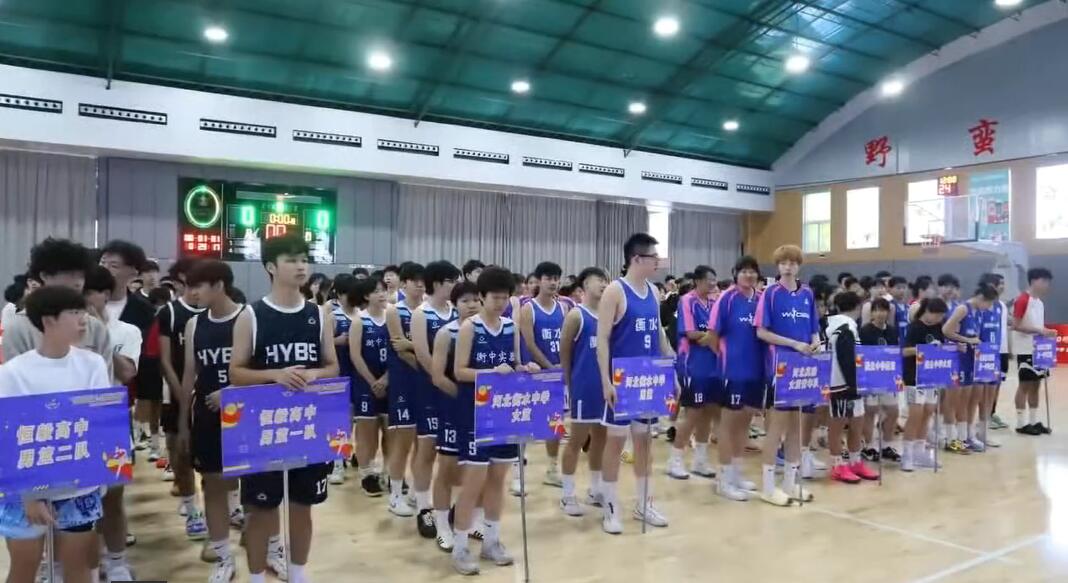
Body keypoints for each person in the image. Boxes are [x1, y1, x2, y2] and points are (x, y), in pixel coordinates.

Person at [229, 234, 340, 583]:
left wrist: (315, 374)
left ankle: (298, 573)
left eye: (304, 258)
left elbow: (333, 367)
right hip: (264, 426)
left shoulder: (319, 315)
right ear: (271, 267)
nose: (301, 265)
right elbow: (236, 373)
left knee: (302, 507)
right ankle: (256, 577)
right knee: (261, 511)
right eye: (291, 259)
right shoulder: (252, 315)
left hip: (307, 424)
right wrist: (275, 375)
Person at [0, 286, 110, 583]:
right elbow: (9, 436)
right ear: (48, 321)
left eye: (83, 311)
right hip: (25, 487)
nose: (83, 319)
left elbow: (100, 422)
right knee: (24, 567)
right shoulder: (13, 372)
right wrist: (29, 495)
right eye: (74, 313)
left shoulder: (92, 364)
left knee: (78, 566)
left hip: (79, 485)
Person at [450, 267, 536, 575]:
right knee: (473, 482)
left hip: (503, 413)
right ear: (482, 297)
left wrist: (525, 368)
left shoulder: (511, 327)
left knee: (498, 480)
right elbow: (459, 371)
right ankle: (460, 547)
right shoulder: (469, 328)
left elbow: (514, 363)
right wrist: (489, 373)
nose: (500, 303)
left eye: (504, 298)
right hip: (474, 414)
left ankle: (491, 540)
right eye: (494, 297)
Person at [596, 233, 674, 534]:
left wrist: (671, 370)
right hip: (621, 381)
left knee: (645, 443)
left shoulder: (653, 291)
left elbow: (659, 333)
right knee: (616, 443)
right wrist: (606, 381)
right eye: (653, 257)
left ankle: (644, 502)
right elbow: (602, 339)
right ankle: (610, 506)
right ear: (637, 259)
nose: (658, 262)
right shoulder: (615, 291)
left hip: (648, 379)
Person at [177, 260, 247, 583]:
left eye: (197, 286)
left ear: (219, 285)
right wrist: (183, 422)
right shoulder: (195, 324)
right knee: (212, 483)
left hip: (247, 414)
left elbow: (261, 370)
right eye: (189, 286)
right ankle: (222, 555)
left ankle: (268, 545)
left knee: (256, 485)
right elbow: (189, 375)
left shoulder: (248, 317)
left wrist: (232, 392)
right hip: (207, 414)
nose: (192, 293)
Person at [83, 266, 142, 580]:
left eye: (89, 292)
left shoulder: (126, 331)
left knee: (113, 497)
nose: (83, 299)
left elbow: (127, 373)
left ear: (105, 295)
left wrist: (100, 333)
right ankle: (89, 564)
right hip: (76, 424)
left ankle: (117, 562)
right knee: (80, 501)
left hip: (111, 421)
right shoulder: (66, 329)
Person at [754, 244, 821, 507]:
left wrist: (815, 342)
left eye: (793, 262)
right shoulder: (770, 294)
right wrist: (793, 344)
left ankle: (790, 484)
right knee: (776, 428)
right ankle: (768, 487)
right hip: (779, 367)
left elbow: (814, 328)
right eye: (783, 263)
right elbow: (761, 332)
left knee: (796, 427)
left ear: (799, 266)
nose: (788, 267)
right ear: (778, 266)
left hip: (803, 368)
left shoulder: (807, 294)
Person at [156, 257, 209, 540]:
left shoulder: (216, 311)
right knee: (180, 453)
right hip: (176, 393)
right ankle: (191, 510)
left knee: (216, 459)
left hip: (210, 396)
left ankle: (227, 507)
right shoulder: (170, 313)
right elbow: (165, 360)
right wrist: (183, 395)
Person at [429, 280, 481, 552]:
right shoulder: (446, 333)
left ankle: (470, 520)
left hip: (482, 411)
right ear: (454, 304)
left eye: (476, 300)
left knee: (478, 469)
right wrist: (463, 399)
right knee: (447, 469)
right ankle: (441, 525)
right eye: (465, 301)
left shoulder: (488, 332)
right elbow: (438, 377)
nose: (472, 305)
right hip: (452, 408)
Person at [409, 260, 460, 537]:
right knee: (426, 448)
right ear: (438, 283)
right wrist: (441, 379)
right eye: (451, 280)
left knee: (451, 452)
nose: (455, 285)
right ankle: (423, 506)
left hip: (454, 389)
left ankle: (447, 505)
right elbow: (422, 353)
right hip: (429, 388)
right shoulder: (421, 314)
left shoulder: (456, 311)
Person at [709, 256, 764, 501]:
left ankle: (736, 473)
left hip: (757, 371)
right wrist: (725, 358)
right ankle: (723, 479)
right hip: (732, 372)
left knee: (745, 424)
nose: (749, 275)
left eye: (753, 271)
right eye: (744, 271)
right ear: (736, 274)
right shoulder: (727, 299)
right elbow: (712, 335)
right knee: (728, 425)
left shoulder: (761, 299)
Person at [559, 267, 609, 516]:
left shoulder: (611, 315)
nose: (603, 284)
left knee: (601, 439)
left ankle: (595, 489)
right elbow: (564, 353)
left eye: (605, 280)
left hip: (606, 388)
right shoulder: (576, 315)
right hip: (583, 387)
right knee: (576, 441)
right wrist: (569, 386)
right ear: (584, 285)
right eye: (598, 280)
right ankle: (567, 494)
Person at [667, 265, 719, 480]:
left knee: (708, 412)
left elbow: (718, 331)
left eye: (714, 280)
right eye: (709, 280)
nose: (713, 284)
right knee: (693, 414)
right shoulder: (687, 301)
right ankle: (675, 460)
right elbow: (690, 333)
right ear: (697, 281)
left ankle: (700, 460)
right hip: (692, 365)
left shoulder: (714, 302)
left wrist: (711, 337)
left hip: (713, 365)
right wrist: (711, 336)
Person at [519, 261, 567, 490]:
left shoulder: (563, 308)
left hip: (556, 373)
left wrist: (563, 364)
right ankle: (518, 472)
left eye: (556, 278)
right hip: (535, 373)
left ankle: (552, 468)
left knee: (554, 422)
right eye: (548, 278)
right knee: (525, 421)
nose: (553, 282)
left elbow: (567, 340)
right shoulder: (528, 309)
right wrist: (549, 366)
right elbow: (529, 343)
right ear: (539, 281)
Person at [384, 262, 426, 516]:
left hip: (426, 382)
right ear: (404, 283)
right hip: (403, 381)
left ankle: (415, 493)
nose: (419, 284)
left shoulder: (429, 309)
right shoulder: (394, 310)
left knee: (425, 442)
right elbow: (399, 349)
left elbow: (422, 345)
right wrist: (426, 363)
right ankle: (395, 495)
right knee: (403, 441)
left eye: (422, 280)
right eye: (414, 280)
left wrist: (413, 346)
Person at [825, 292, 879, 483]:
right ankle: (837, 465)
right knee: (837, 425)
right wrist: (855, 383)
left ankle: (855, 462)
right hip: (840, 384)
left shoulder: (845, 325)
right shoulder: (844, 327)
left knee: (857, 422)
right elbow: (846, 359)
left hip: (852, 383)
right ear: (858, 307)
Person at [347, 277, 390, 497]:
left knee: (391, 431)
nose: (381, 294)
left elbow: (399, 352)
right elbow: (355, 355)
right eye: (376, 291)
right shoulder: (359, 321)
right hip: (365, 383)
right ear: (366, 296)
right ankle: (367, 473)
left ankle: (389, 472)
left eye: (383, 290)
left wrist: (386, 378)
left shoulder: (392, 317)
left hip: (390, 381)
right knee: (367, 432)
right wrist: (373, 381)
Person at [944, 284, 999, 453]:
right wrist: (966, 340)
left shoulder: (979, 313)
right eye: (988, 303)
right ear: (981, 297)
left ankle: (965, 436)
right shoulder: (963, 309)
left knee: (968, 399)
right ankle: (950, 438)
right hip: (958, 359)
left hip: (971, 360)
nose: (989, 307)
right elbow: (946, 330)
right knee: (954, 400)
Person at [901, 298, 950, 471]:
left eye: (941, 316)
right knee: (916, 413)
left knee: (928, 411)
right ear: (927, 311)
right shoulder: (914, 327)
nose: (939, 319)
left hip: (931, 376)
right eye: (937, 315)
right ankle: (907, 454)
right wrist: (923, 350)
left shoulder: (938, 327)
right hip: (914, 376)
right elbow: (904, 351)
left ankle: (920, 452)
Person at [1012, 268, 1057, 436]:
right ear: (1033, 281)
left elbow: (1038, 326)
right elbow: (1016, 325)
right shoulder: (1022, 300)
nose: (1046, 285)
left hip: (1039, 349)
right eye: (1044, 281)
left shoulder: (1040, 303)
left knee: (1036, 385)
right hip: (1025, 349)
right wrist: (1039, 330)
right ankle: (1021, 423)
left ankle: (1033, 421)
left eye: (1048, 282)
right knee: (1024, 385)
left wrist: (1047, 332)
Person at [858, 298, 902, 464]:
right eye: (876, 310)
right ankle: (868, 446)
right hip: (870, 378)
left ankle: (887, 446)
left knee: (893, 411)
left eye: (883, 310)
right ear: (872, 313)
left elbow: (896, 353)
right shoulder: (864, 331)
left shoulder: (893, 331)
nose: (880, 313)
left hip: (888, 377)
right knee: (870, 411)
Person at [326, 274, 358, 485]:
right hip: (340, 373)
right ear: (338, 294)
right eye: (345, 293)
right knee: (340, 420)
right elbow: (323, 345)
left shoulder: (362, 315)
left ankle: (351, 456)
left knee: (356, 419)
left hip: (359, 373)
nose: (350, 296)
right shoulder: (333, 316)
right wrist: (338, 340)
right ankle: (337, 463)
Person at [978, 273, 1010, 433]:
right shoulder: (981, 305)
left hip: (1001, 351)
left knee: (996, 385)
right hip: (984, 351)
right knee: (983, 387)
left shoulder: (1002, 305)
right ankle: (981, 419)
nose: (1002, 286)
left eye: (1003, 283)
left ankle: (991, 413)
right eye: (999, 283)